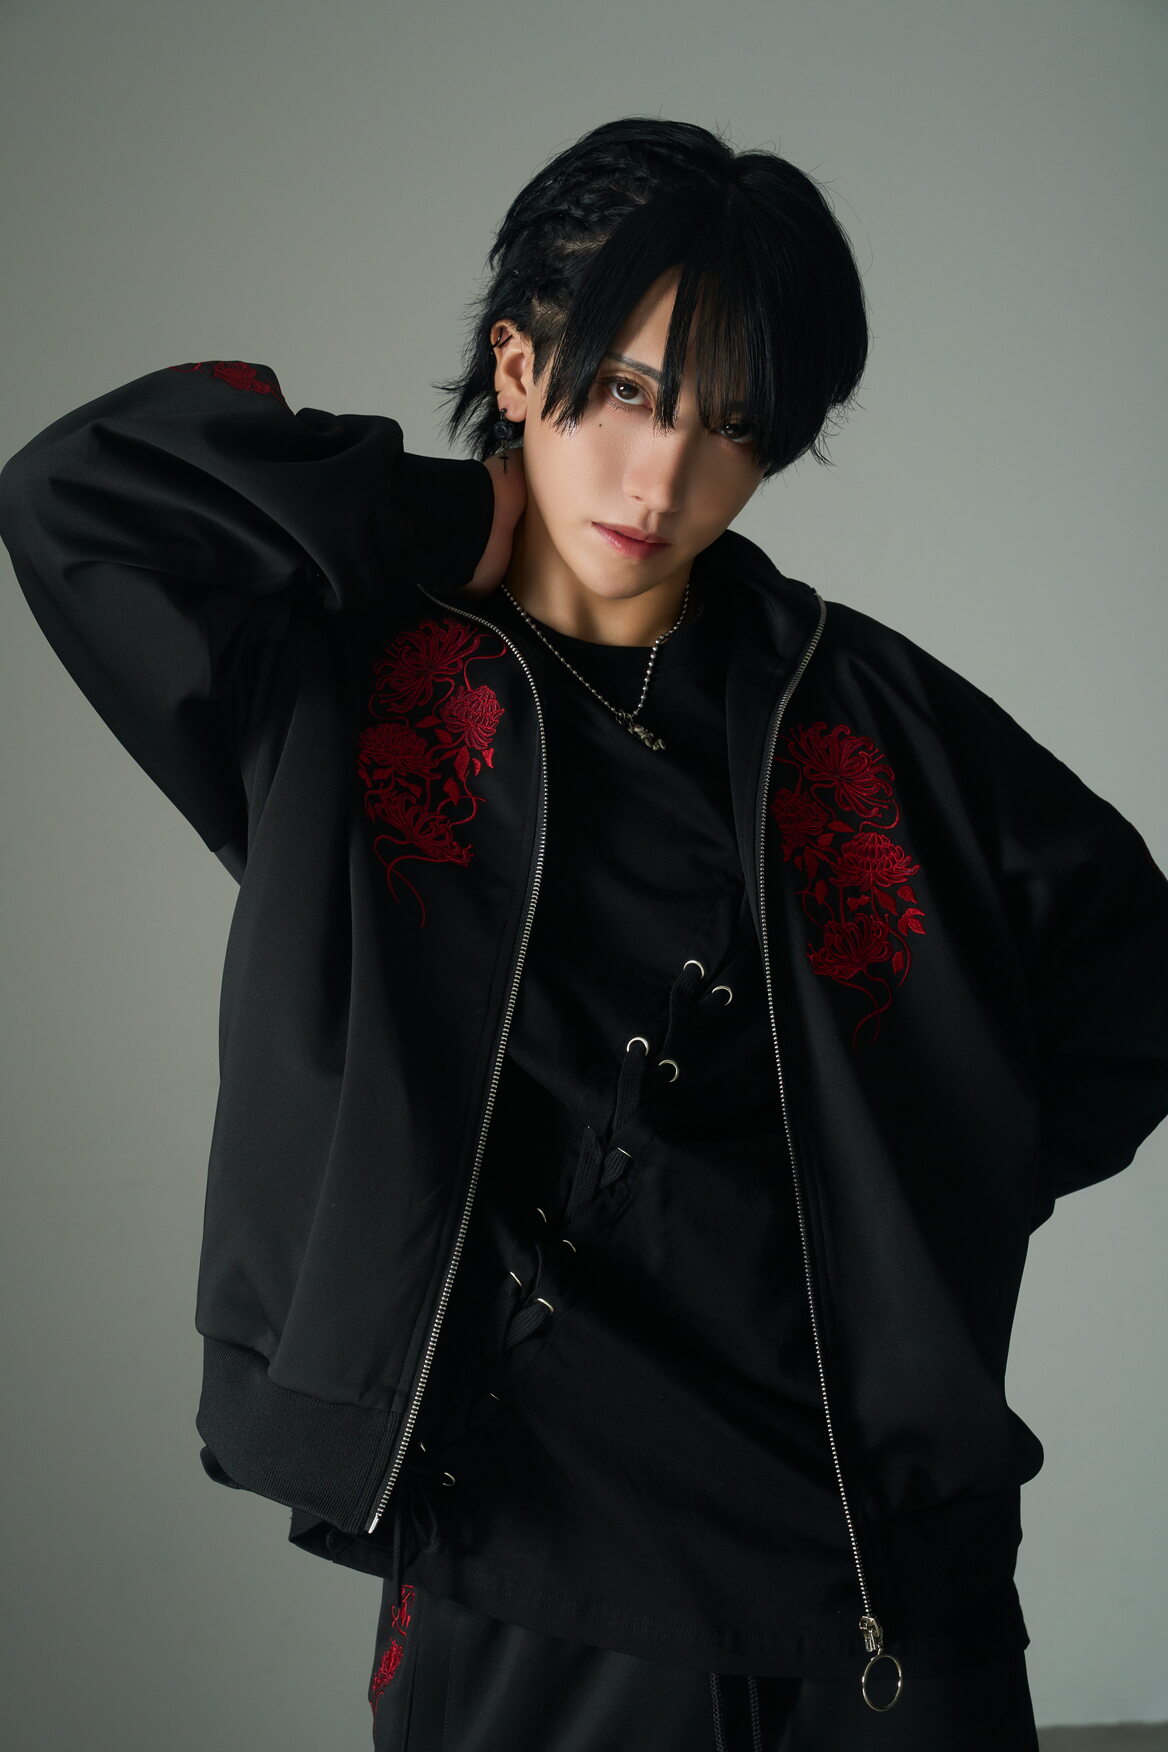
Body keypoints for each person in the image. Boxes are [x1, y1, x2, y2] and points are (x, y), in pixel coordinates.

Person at [2, 115, 1166, 1752]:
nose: (665, 479)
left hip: (871, 1558)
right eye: (626, 391)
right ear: (520, 362)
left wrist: (921, 1177)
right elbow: (74, 493)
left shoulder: (859, 708)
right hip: (528, 1544)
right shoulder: (341, 676)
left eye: (734, 428)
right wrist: (437, 518)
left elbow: (1134, 986)